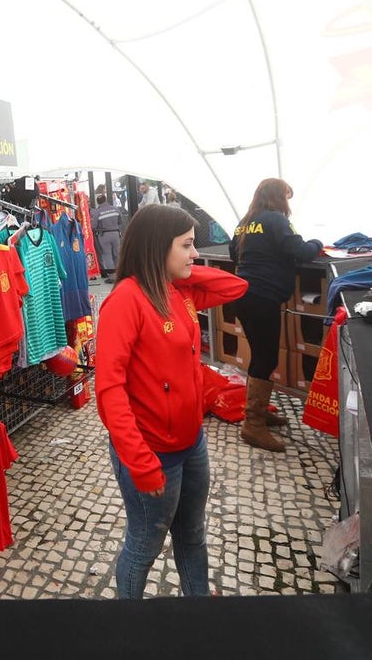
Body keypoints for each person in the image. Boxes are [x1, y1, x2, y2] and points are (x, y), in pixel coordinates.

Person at [95, 205, 247, 598]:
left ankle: (198, 606)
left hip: (191, 442)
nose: (195, 254)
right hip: (152, 452)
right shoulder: (125, 301)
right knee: (145, 545)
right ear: (157, 247)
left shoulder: (178, 290)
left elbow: (235, 287)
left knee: (192, 534)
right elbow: (109, 390)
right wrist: (140, 462)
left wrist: (178, 270)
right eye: (187, 245)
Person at [228, 179, 322, 452]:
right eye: (287, 197)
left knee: (260, 354)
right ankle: (253, 425)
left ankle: (258, 413)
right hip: (263, 296)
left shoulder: (246, 221)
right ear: (279, 197)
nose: (288, 203)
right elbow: (301, 250)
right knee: (266, 356)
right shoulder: (276, 219)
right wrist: (317, 241)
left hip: (244, 294)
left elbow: (235, 253)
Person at [89, 193, 127, 282]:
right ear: (106, 200)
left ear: (98, 202)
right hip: (116, 234)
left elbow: (93, 226)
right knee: (117, 254)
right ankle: (119, 275)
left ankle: (112, 277)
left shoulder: (98, 212)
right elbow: (120, 221)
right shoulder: (115, 209)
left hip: (104, 235)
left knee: (107, 255)